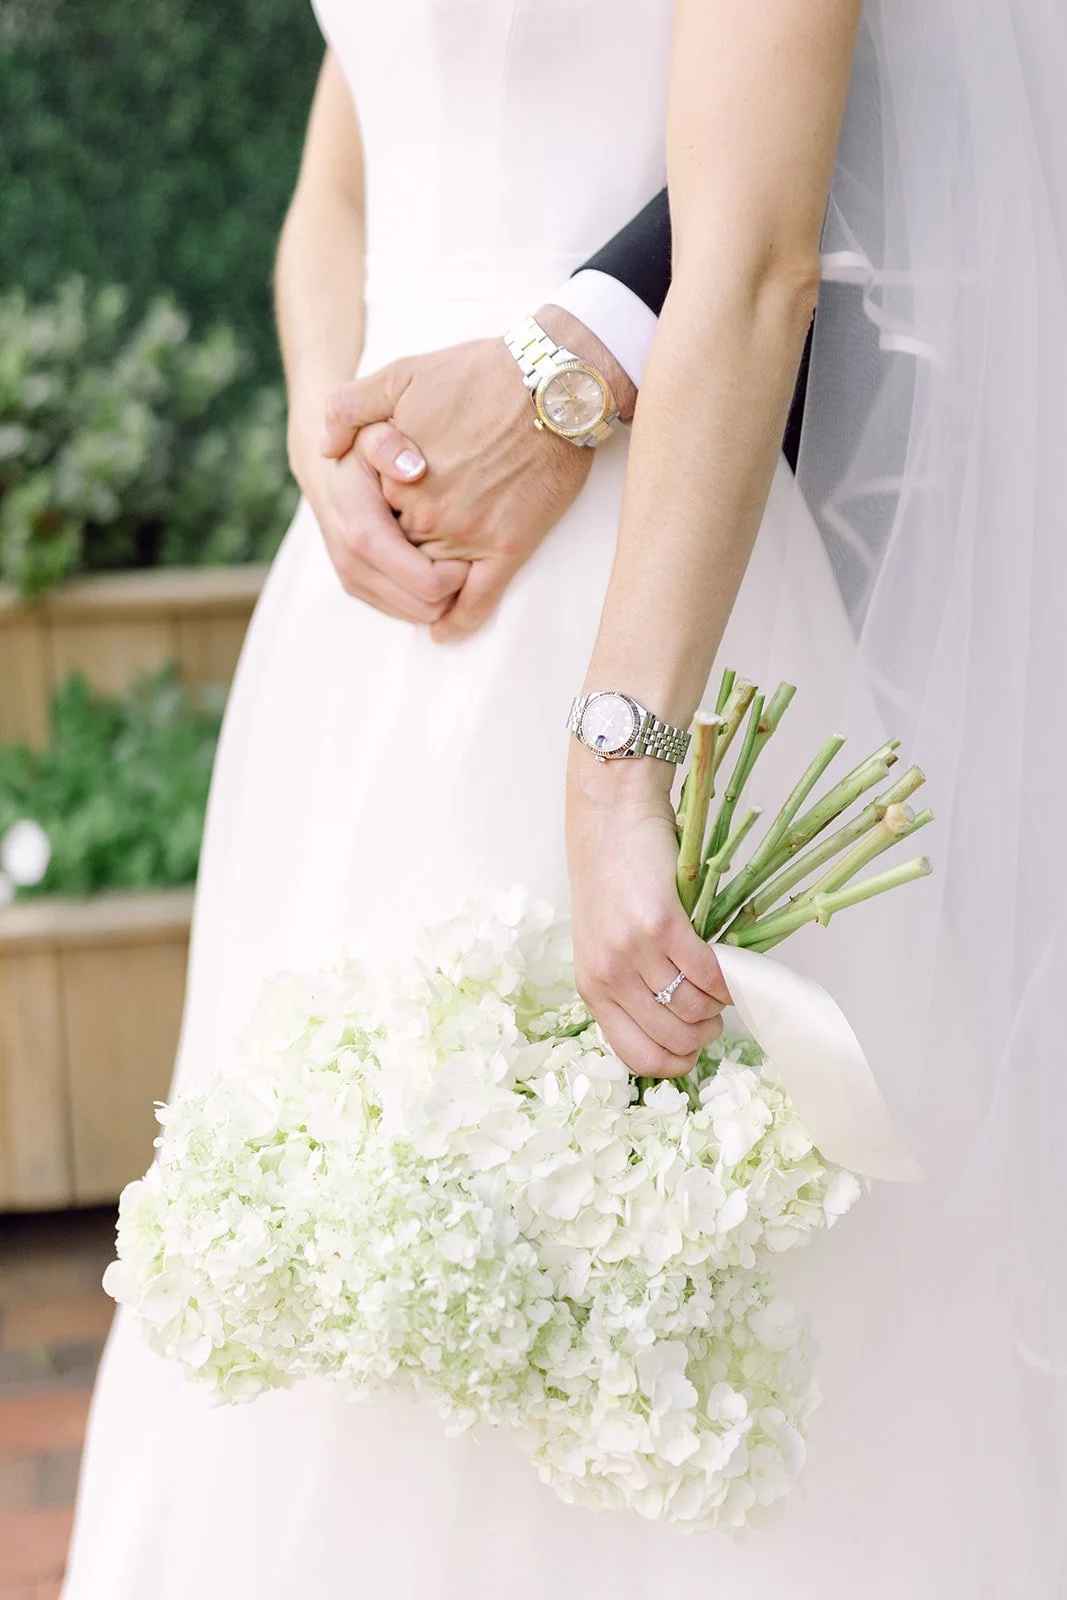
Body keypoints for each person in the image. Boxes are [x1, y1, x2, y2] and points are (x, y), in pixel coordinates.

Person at [61, 1, 1066, 1596]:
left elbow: (750, 264)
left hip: (642, 590)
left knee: (713, 1295)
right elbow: (337, 189)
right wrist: (334, 438)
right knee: (332, 1302)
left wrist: (618, 770)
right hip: (358, 628)